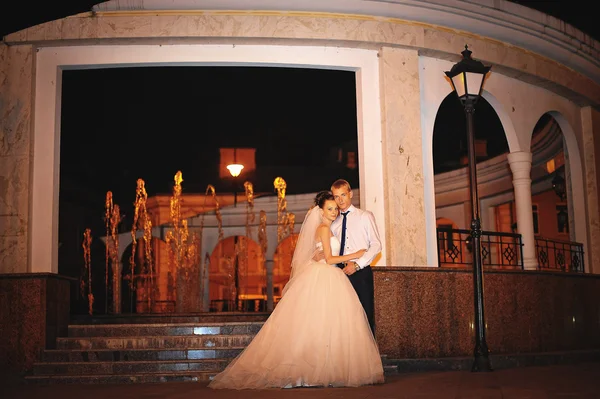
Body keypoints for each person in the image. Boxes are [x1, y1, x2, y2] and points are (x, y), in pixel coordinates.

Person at [208, 191, 384, 389]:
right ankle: (312, 371)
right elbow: (331, 257)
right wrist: (357, 254)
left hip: (328, 273)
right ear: (321, 210)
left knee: (321, 325)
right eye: (330, 208)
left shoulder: (327, 227)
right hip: (327, 274)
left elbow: (320, 254)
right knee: (323, 324)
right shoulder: (325, 229)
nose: (334, 212)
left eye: (335, 208)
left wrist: (321, 255)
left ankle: (321, 369)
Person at [330, 179, 382, 334]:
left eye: (343, 195)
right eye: (336, 196)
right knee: (344, 316)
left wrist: (358, 264)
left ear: (350, 194)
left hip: (361, 271)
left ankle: (368, 356)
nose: (340, 200)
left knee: (365, 315)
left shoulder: (364, 216)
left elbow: (376, 245)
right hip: (340, 273)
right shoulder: (334, 223)